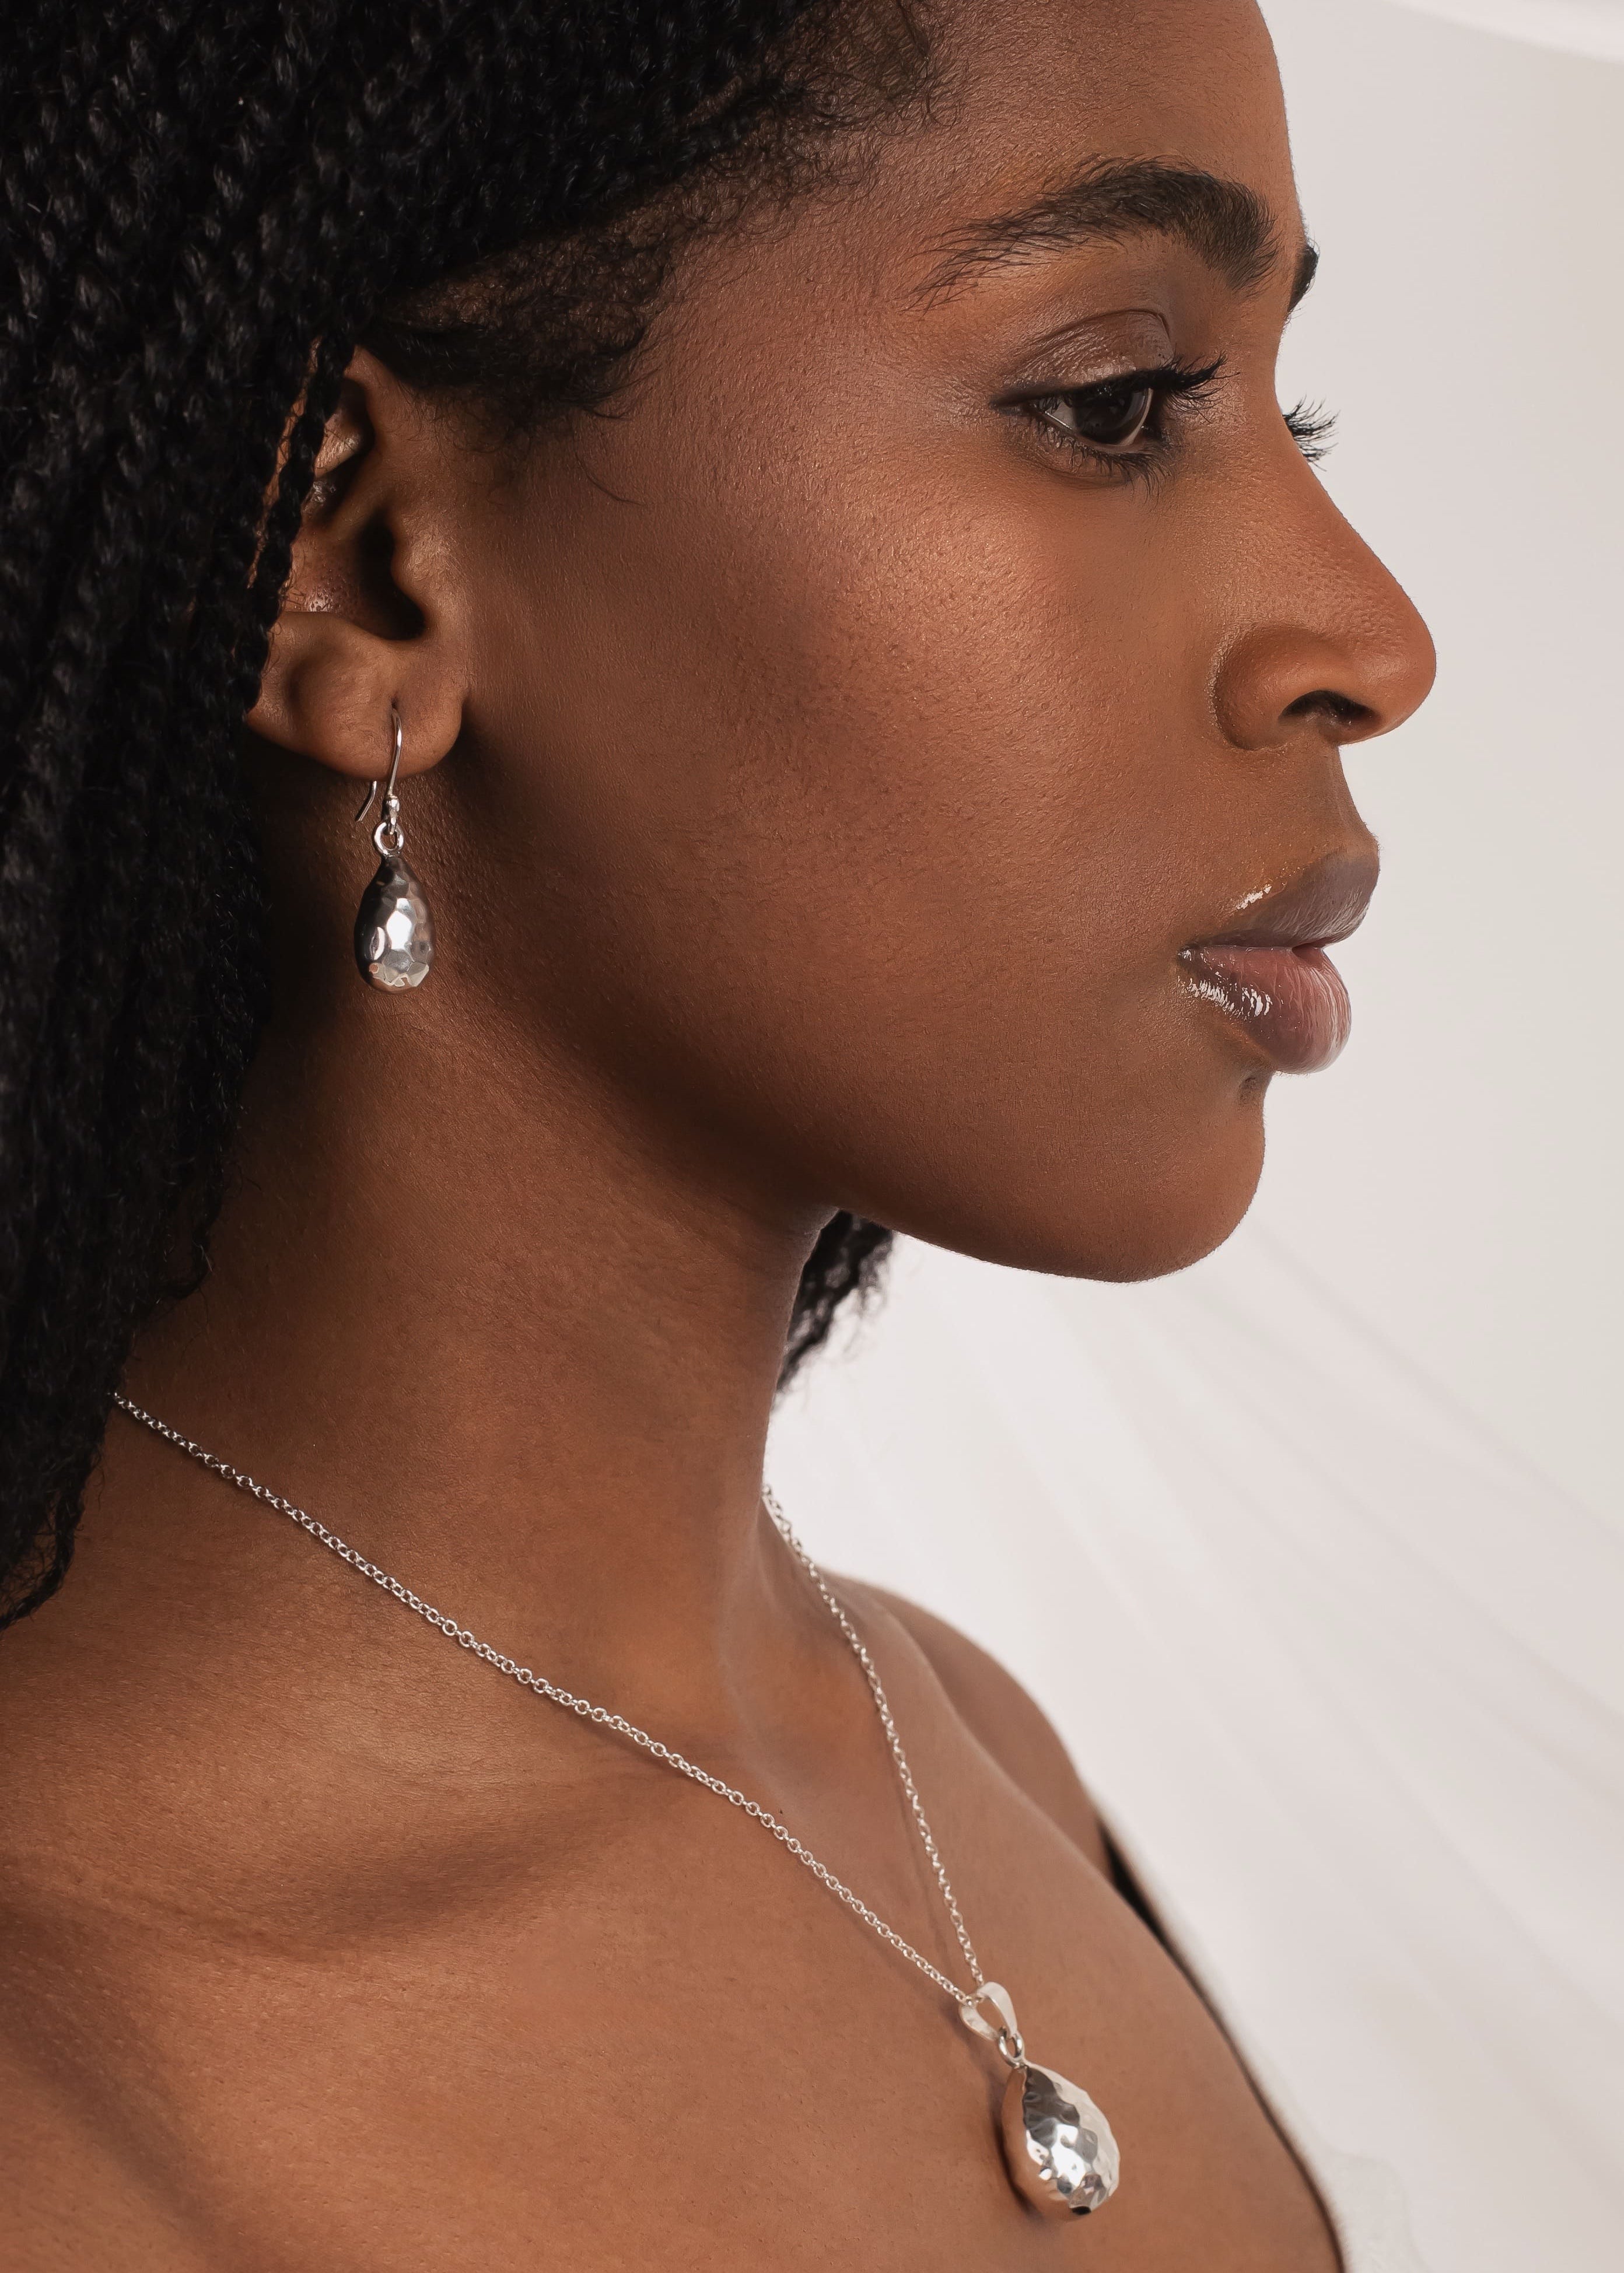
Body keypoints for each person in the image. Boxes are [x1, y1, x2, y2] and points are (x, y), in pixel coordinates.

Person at [0, 1, 1435, 2263]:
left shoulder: (984, 1765)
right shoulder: (70, 2096)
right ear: (366, 567)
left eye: (1292, 404)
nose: (1369, 635)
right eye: (1116, 405)